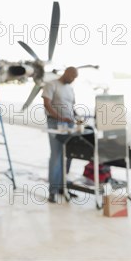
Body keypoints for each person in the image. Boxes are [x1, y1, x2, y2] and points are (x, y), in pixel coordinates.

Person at [42, 66, 78, 203]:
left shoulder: (70, 88)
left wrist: (78, 118)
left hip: (69, 124)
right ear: (67, 73)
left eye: (75, 78)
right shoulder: (51, 85)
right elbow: (47, 104)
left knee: (68, 156)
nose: (73, 80)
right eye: (72, 76)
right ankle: (53, 191)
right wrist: (60, 118)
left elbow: (71, 107)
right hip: (55, 124)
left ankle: (63, 187)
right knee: (56, 156)